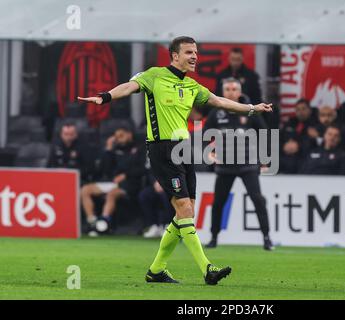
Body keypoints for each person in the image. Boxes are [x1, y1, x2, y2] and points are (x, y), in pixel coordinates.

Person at [78, 36, 273, 285]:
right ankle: (207, 269)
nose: (195, 56)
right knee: (185, 210)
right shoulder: (155, 75)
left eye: (196, 52)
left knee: (186, 209)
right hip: (162, 149)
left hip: (184, 149)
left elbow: (220, 101)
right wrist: (104, 97)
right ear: (175, 55)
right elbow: (128, 87)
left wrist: (252, 108)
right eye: (189, 52)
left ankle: (157, 269)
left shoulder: (192, 86)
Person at [203, 78, 273, 251]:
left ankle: (266, 237)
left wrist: (265, 158)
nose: (231, 92)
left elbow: (264, 132)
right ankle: (213, 237)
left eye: (234, 89)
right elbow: (204, 135)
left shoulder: (249, 111)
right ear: (223, 91)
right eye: (227, 89)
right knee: (218, 202)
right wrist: (209, 151)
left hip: (248, 165)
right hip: (225, 166)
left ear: (239, 92)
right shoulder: (216, 112)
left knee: (257, 199)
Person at [80, 126, 146, 236]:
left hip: (129, 184)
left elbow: (143, 169)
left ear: (129, 134)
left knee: (112, 194)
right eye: (116, 137)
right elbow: (105, 169)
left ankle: (103, 223)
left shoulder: (139, 148)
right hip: (112, 182)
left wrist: (126, 175)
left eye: (121, 136)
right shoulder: (115, 150)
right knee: (85, 190)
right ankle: (92, 222)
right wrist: (108, 149)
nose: (118, 139)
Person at [279, 99, 318, 173]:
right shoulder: (289, 123)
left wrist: (298, 146)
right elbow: (280, 139)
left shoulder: (315, 125)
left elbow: (314, 143)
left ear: (310, 110)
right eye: (298, 109)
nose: (301, 112)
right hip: (286, 156)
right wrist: (283, 146)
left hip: (304, 157)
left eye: (303, 109)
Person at [139, 167, 174, 238]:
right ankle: (153, 226)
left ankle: (169, 225)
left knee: (166, 196)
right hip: (157, 185)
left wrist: (164, 183)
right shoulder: (154, 157)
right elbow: (150, 171)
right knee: (144, 195)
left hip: (172, 186)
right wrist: (155, 182)